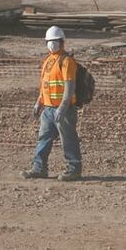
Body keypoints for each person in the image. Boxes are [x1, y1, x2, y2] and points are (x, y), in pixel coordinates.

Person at [21, 26, 82, 182]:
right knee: (44, 138)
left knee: (68, 139)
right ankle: (39, 168)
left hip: (64, 110)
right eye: (50, 42)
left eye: (55, 41)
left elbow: (70, 87)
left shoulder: (67, 61)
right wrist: (38, 102)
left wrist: (62, 107)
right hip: (48, 109)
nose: (52, 44)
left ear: (61, 42)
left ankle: (73, 169)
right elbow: (45, 85)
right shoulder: (48, 60)